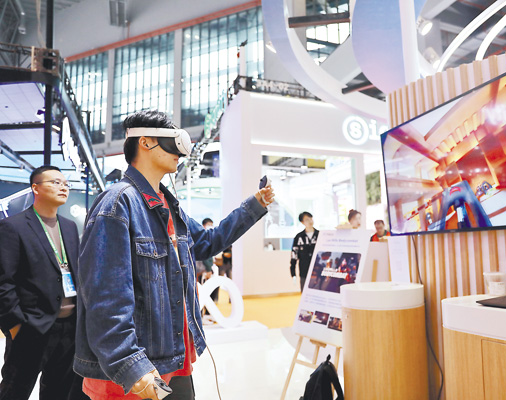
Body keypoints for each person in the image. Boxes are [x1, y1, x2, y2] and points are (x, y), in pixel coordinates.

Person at [75, 110, 274, 400]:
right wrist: (132, 367)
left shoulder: (169, 206)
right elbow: (106, 297)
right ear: (145, 142)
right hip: (135, 372)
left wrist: (254, 205)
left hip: (173, 360)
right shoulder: (117, 204)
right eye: (172, 143)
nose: (179, 153)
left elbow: (207, 242)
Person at [0, 165, 88, 400]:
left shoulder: (69, 226)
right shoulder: (13, 226)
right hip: (32, 327)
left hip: (69, 328)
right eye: (55, 182)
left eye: (66, 184)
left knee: (59, 392)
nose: (63, 187)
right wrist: (14, 325)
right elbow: (3, 281)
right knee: (14, 391)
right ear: (35, 188)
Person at [290, 212, 319, 292]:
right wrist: (293, 273)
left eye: (311, 218)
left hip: (318, 270)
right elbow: (294, 255)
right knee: (305, 293)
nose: (310, 221)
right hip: (304, 270)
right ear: (302, 222)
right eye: (307, 220)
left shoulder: (319, 235)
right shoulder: (299, 237)